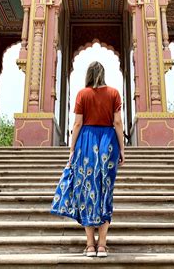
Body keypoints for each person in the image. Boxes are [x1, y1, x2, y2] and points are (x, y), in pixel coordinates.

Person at [50, 61, 124, 258]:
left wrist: (72, 149)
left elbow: (77, 123)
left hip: (86, 142)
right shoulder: (114, 93)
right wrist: (122, 150)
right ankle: (102, 246)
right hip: (108, 142)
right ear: (103, 73)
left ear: (88, 75)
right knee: (105, 191)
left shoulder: (83, 94)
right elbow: (117, 122)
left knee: (87, 191)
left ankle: (90, 245)